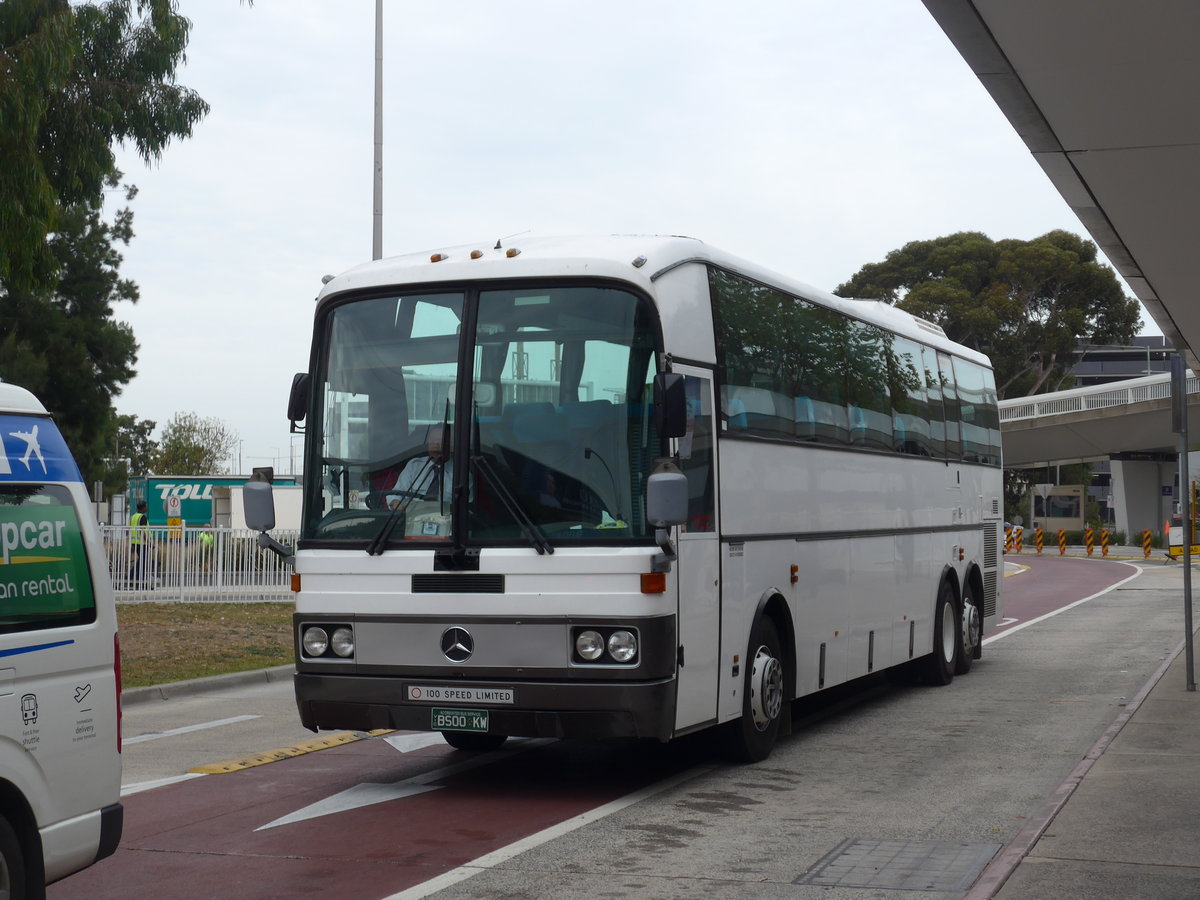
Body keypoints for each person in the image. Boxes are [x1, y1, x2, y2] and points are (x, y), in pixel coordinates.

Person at [129, 500, 149, 587]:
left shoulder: (133, 517)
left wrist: (132, 544)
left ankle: (135, 578)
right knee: (143, 562)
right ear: (143, 507)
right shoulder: (142, 517)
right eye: (146, 506)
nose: (147, 508)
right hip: (142, 543)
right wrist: (149, 542)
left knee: (141, 561)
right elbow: (143, 531)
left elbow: (131, 530)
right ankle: (136, 578)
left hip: (135, 542)